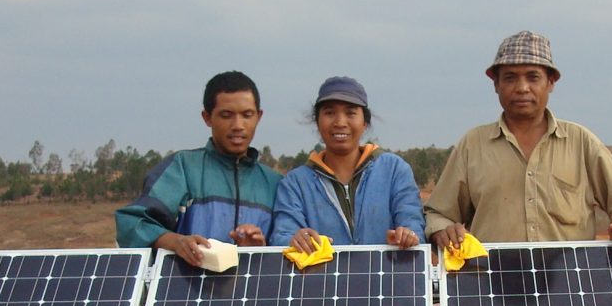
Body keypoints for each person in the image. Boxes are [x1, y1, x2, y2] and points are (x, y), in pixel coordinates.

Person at [424, 31, 612, 249]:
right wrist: (442, 230)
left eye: (533, 77)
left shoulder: (581, 143)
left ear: (551, 82)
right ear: (496, 84)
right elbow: (439, 214)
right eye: (510, 78)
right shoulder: (473, 146)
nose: (522, 88)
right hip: (493, 275)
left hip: (566, 275)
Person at [114, 70, 280, 266]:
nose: (238, 125)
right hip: (184, 284)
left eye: (247, 115)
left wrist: (260, 250)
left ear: (259, 117)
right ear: (207, 117)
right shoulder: (183, 168)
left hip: (251, 285)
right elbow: (131, 224)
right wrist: (175, 242)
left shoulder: (275, 183)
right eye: (226, 115)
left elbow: (286, 249)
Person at [269, 77, 424, 252]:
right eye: (329, 113)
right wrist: (294, 240)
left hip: (389, 270)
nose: (340, 123)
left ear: (365, 122)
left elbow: (413, 224)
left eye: (350, 113)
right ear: (317, 122)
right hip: (319, 272)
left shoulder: (394, 170)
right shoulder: (295, 184)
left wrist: (406, 236)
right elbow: (282, 236)